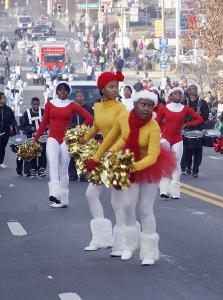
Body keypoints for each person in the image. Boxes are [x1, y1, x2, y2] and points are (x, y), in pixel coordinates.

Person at [86, 90, 176, 264]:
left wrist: (132, 168)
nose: (146, 109)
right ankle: (128, 244)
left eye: (150, 106)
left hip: (148, 166)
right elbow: (109, 140)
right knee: (127, 205)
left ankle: (149, 252)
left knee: (144, 209)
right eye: (143, 105)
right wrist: (96, 158)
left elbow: (153, 156)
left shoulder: (153, 126)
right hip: (127, 162)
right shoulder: (123, 119)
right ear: (135, 104)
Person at [82, 71, 127, 252]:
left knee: (117, 201)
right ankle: (101, 238)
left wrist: (111, 153)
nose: (115, 90)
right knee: (90, 194)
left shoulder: (120, 108)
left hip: (117, 156)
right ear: (102, 89)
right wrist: (83, 138)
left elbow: (125, 134)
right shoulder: (98, 106)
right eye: (111, 86)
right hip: (102, 154)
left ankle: (121, 243)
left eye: (117, 86)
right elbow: (96, 126)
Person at [33, 82, 93, 208]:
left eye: (65, 90)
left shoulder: (72, 105)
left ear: (68, 92)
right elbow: (44, 123)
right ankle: (55, 194)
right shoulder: (50, 104)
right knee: (53, 164)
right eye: (60, 89)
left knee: (63, 169)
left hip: (66, 139)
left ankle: (64, 200)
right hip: (52, 138)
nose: (62, 92)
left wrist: (76, 131)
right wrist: (35, 139)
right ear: (56, 91)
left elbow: (89, 118)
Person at [156, 87, 203, 199]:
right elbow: (156, 122)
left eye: (180, 94)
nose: (178, 96)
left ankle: (175, 191)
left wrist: (186, 125)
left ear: (182, 96)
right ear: (171, 95)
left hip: (177, 139)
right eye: (175, 94)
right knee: (165, 163)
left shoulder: (185, 109)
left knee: (176, 164)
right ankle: (164, 189)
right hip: (165, 138)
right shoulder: (164, 108)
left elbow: (199, 119)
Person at [181, 84, 209, 177]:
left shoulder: (202, 103)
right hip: (187, 130)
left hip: (198, 130)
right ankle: (187, 167)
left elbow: (206, 117)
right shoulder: (185, 102)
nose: (194, 90)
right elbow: (181, 116)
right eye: (192, 89)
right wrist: (193, 115)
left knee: (198, 151)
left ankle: (196, 169)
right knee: (187, 151)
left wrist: (199, 116)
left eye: (195, 88)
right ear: (189, 91)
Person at [69, 91, 94, 181]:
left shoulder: (89, 108)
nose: (79, 98)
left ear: (84, 97)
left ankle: (84, 175)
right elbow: (68, 120)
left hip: (85, 135)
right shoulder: (72, 108)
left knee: (85, 155)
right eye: (77, 96)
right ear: (75, 97)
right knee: (73, 154)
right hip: (74, 134)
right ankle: (72, 175)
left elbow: (92, 120)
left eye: (81, 96)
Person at [22, 97, 47, 178]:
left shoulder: (43, 112)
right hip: (31, 137)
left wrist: (46, 126)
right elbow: (23, 126)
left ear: (39, 104)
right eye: (34, 104)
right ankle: (33, 170)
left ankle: (41, 170)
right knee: (32, 153)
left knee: (42, 153)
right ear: (31, 104)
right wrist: (30, 128)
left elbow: (49, 122)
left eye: (37, 104)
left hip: (43, 137)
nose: (36, 106)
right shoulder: (27, 113)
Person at [0, 92, 17, 169]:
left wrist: (13, 127)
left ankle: (1, 162)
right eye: (3, 98)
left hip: (6, 132)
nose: (4, 99)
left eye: (4, 98)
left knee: (2, 147)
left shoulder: (8, 109)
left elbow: (13, 120)